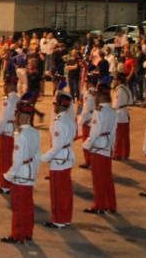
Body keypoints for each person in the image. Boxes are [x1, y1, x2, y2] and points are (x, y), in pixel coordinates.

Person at [1, 100, 41, 244]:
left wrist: (8, 175)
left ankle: (17, 234)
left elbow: (18, 160)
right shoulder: (35, 132)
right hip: (29, 172)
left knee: (18, 206)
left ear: (18, 115)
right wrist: (35, 174)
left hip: (20, 174)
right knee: (28, 205)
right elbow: (37, 155)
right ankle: (28, 231)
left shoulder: (20, 135)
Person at [40, 90, 76, 228]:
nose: (54, 106)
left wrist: (42, 158)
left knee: (58, 191)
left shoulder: (59, 122)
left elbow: (56, 147)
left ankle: (58, 219)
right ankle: (66, 217)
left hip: (59, 158)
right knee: (66, 190)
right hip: (67, 155)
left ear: (60, 106)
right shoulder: (69, 119)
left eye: (55, 104)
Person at [83, 81, 118, 214]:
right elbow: (114, 131)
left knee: (98, 179)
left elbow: (95, 132)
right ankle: (111, 204)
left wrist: (87, 145)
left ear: (100, 96)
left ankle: (99, 205)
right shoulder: (112, 110)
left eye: (97, 95)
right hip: (107, 147)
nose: (95, 97)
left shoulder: (99, 111)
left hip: (98, 148)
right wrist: (112, 147)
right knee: (107, 178)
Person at [0, 85, 20, 195]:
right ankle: (13, 182)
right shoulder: (18, 98)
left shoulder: (8, 100)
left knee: (4, 159)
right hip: (15, 129)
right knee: (12, 157)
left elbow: (3, 118)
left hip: (7, 130)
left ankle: (5, 185)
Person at [112, 70, 132, 160]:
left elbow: (116, 104)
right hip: (125, 113)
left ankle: (118, 154)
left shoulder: (119, 90)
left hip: (119, 114)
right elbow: (131, 101)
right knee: (125, 136)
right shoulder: (126, 88)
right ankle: (125, 153)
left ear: (119, 80)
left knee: (118, 136)